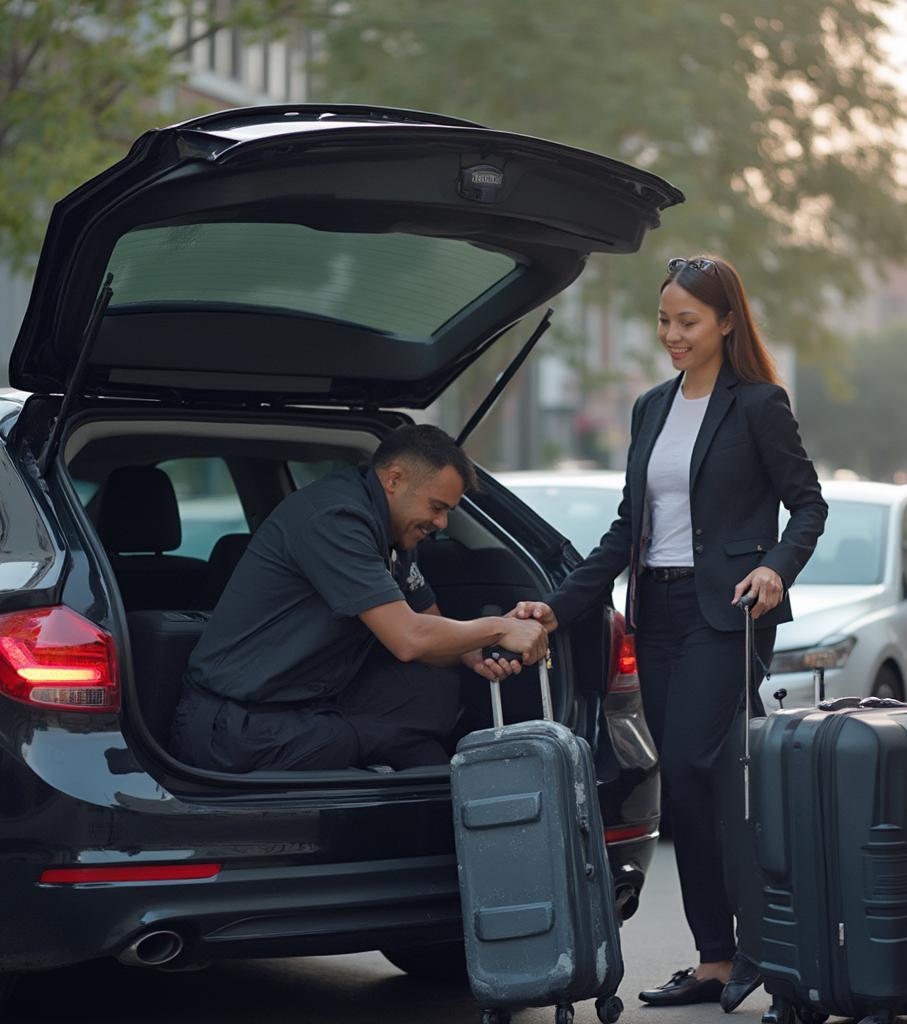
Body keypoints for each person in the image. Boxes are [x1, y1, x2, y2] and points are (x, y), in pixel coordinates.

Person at [515, 255, 827, 1012]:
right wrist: (557, 606)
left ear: (726, 321)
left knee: (701, 772)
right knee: (687, 790)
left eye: (687, 321)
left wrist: (777, 569)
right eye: (664, 321)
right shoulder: (651, 407)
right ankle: (717, 959)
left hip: (727, 614)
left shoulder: (758, 404)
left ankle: (763, 948)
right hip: (656, 613)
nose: (672, 335)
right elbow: (629, 526)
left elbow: (809, 505)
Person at [170, 424, 547, 772]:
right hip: (234, 726)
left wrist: (476, 650)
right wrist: (498, 628)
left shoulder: (394, 533)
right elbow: (409, 639)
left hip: (304, 707)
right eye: (437, 507)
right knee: (392, 739)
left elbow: (433, 625)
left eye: (449, 511)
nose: (442, 524)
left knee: (432, 695)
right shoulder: (335, 519)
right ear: (394, 479)